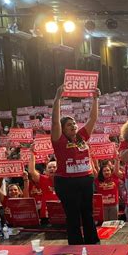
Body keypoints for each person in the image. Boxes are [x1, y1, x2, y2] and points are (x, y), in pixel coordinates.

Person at [51, 84, 100, 245]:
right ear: (63, 129)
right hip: (66, 182)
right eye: (69, 125)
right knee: (73, 214)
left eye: (74, 123)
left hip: (85, 179)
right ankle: (76, 246)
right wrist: (57, 99)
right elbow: (55, 123)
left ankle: (92, 242)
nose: (73, 126)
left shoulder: (81, 138)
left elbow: (93, 119)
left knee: (88, 213)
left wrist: (95, 99)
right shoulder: (59, 140)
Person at [28, 145, 58, 222]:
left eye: (54, 167)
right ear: (46, 170)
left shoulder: (65, 179)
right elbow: (31, 171)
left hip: (61, 213)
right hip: (46, 214)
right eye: (49, 167)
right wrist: (32, 153)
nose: (52, 169)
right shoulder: (44, 179)